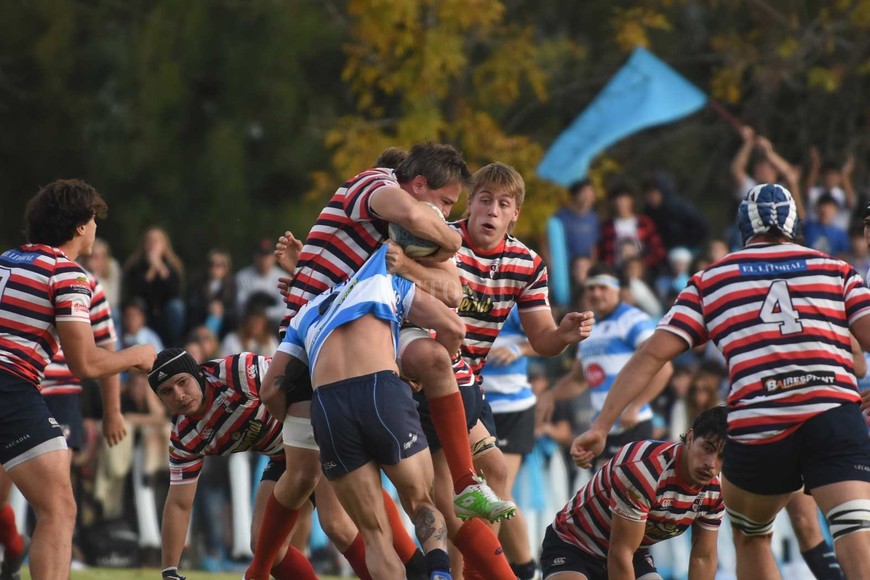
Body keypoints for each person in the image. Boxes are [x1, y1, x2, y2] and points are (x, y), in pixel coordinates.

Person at [572, 183, 870, 579]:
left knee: (752, 535)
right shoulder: (836, 269)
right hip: (833, 413)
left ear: (744, 227)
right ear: (795, 225)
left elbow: (651, 355)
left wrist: (601, 425)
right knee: (853, 524)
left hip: (760, 423)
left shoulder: (712, 279)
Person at [399, 162, 596, 580]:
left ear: (515, 214)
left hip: (469, 383)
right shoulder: (440, 241)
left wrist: (563, 334)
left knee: (494, 473)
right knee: (456, 491)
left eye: (503, 204)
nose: (492, 210)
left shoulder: (527, 264)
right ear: (470, 203)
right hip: (424, 381)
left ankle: (476, 572)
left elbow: (542, 340)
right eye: (485, 200)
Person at [274, 243, 459, 579]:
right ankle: (439, 572)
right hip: (379, 390)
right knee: (420, 502)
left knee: (374, 535)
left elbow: (271, 388)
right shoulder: (383, 279)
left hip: (327, 406)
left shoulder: (306, 311)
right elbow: (454, 327)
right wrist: (420, 374)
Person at [0, 179, 156, 578]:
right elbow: (85, 362)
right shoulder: (67, 274)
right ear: (80, 225)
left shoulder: (7, 259)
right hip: (11, 386)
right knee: (58, 507)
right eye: (94, 220)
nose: (96, 228)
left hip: (19, 389)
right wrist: (139, 355)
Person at [148, 348, 317, 580]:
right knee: (267, 547)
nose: (179, 395)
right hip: (284, 459)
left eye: (182, 382)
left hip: (319, 438)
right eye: (167, 392)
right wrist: (169, 571)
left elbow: (298, 373)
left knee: (338, 526)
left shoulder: (237, 372)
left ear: (197, 374)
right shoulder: (184, 437)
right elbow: (178, 504)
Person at [541, 405, 727, 580]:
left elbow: (703, 558)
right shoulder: (644, 467)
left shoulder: (718, 490)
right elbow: (620, 554)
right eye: (707, 448)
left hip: (633, 553)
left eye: (722, 456)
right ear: (690, 437)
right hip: (574, 545)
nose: (711, 464)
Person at [538, 263, 673, 466]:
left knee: (623, 484)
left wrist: (636, 405)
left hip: (632, 424)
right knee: (606, 484)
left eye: (603, 287)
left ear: (616, 289)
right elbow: (578, 380)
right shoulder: (588, 328)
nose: (596, 293)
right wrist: (550, 395)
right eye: (591, 288)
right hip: (602, 428)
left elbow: (664, 367)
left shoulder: (632, 319)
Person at [123, 226, 186, 345]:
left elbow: (175, 293)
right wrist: (151, 271)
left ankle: (175, 343)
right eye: (149, 241)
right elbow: (135, 292)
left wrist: (161, 269)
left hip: (165, 314)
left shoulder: (173, 266)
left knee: (176, 306)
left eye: (156, 241)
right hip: (145, 311)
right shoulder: (135, 266)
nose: (153, 245)